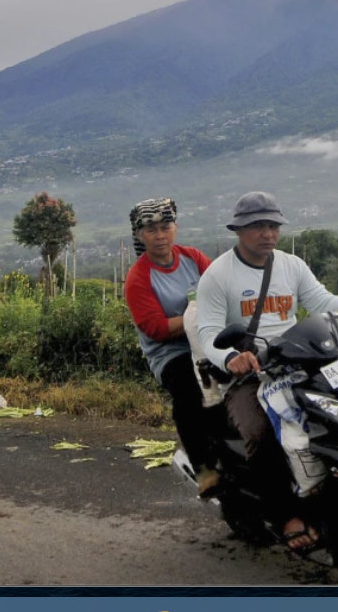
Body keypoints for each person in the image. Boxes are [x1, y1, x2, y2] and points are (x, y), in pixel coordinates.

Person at [195, 191, 338, 554]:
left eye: (273, 225)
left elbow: (321, 301)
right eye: (257, 226)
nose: (267, 234)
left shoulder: (291, 266)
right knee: (262, 434)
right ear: (238, 230)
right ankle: (286, 515)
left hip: (298, 363)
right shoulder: (218, 276)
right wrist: (232, 356)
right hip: (248, 377)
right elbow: (207, 333)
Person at [122, 197, 222, 498]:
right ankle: (203, 465)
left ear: (175, 228)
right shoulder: (139, 278)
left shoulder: (192, 258)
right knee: (190, 389)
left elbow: (220, 288)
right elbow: (155, 328)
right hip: (171, 352)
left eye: (166, 226)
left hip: (208, 339)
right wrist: (194, 316)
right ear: (140, 235)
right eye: (151, 229)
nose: (160, 234)